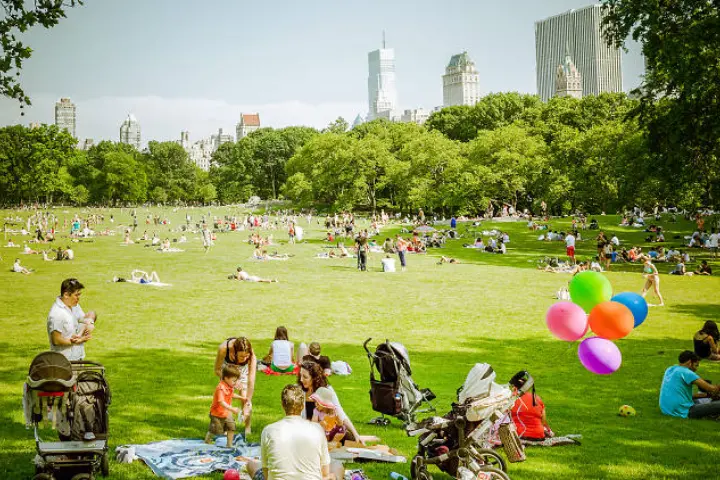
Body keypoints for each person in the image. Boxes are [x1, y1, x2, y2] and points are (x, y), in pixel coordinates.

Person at [246, 384, 339, 480]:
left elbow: (266, 473)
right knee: (337, 466)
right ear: (303, 406)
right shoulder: (317, 429)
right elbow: (324, 473)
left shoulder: (268, 430)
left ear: (282, 405)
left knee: (251, 464)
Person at [298, 361, 363, 445]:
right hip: (309, 433)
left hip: (328, 432)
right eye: (300, 375)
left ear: (314, 378)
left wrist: (356, 434)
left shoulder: (327, 391)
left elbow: (340, 413)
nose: (301, 379)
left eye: (305, 377)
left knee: (351, 441)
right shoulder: (299, 391)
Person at [214, 336, 257, 436]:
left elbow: (251, 380)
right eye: (242, 356)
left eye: (247, 356)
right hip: (227, 371)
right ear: (234, 352)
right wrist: (230, 380)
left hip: (242, 370)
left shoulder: (251, 356)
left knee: (245, 396)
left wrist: (248, 402)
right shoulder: (223, 349)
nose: (245, 358)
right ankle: (225, 426)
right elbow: (217, 370)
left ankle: (247, 427)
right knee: (225, 398)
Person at [659, 351, 720, 419]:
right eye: (696, 365)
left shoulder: (670, 369)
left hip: (667, 409)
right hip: (684, 411)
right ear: (689, 362)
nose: (696, 369)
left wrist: (706, 395)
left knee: (704, 402)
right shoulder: (686, 372)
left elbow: (682, 395)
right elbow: (712, 389)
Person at [47, 278, 96, 361]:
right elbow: (56, 340)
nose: (79, 298)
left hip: (78, 358)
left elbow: (89, 315)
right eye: (76, 295)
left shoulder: (74, 305)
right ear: (66, 295)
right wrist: (76, 341)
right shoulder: (57, 314)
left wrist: (90, 322)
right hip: (64, 362)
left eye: (80, 294)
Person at [205, 364, 242, 446]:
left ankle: (229, 445)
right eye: (234, 380)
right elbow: (221, 402)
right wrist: (232, 409)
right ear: (226, 378)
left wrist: (241, 398)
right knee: (215, 430)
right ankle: (208, 439)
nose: (235, 383)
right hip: (217, 413)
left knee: (231, 427)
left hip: (226, 412)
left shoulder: (229, 385)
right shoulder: (221, 388)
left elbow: (230, 394)